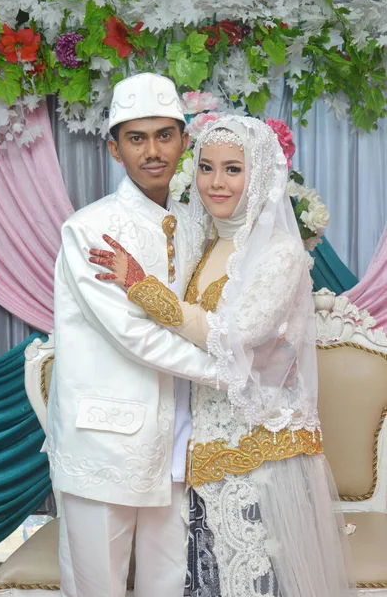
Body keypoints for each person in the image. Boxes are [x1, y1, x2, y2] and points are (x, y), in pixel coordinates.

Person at [90, 116, 357, 596]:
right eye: (207, 167)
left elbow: (236, 334)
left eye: (233, 169)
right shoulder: (207, 242)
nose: (216, 182)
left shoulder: (279, 253)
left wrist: (143, 288)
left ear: (258, 177)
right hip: (206, 450)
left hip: (262, 453)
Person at [46, 73, 222, 597]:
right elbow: (134, 336)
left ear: (184, 141)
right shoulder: (91, 229)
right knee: (94, 585)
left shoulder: (198, 224)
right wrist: (227, 372)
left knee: (168, 585)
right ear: (115, 149)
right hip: (105, 443)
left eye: (165, 135)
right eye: (137, 138)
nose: (153, 151)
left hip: (180, 439)